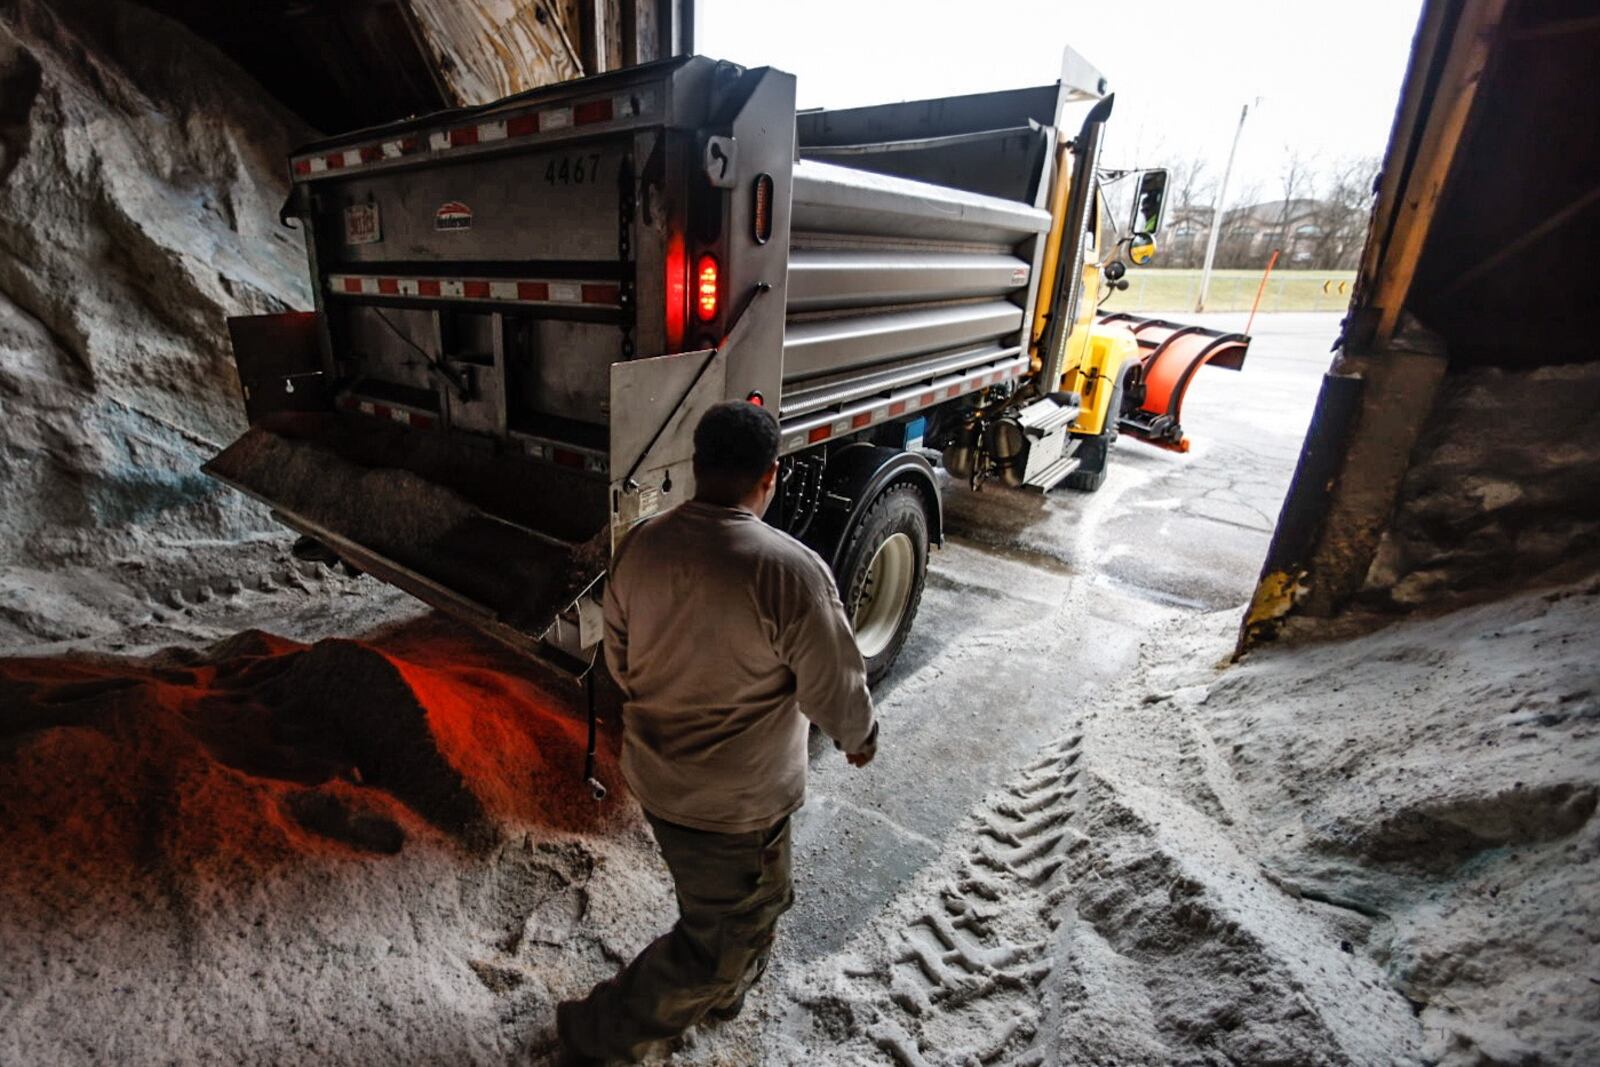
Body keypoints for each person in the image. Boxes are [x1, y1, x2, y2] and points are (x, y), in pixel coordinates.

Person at [556, 401, 878, 1065]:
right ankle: (598, 1034)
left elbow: (619, 659)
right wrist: (860, 735)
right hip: (734, 805)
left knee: (725, 900)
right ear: (772, 476)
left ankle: (724, 989)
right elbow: (835, 688)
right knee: (730, 929)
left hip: (655, 776)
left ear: (696, 466)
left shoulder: (641, 545)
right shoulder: (790, 571)